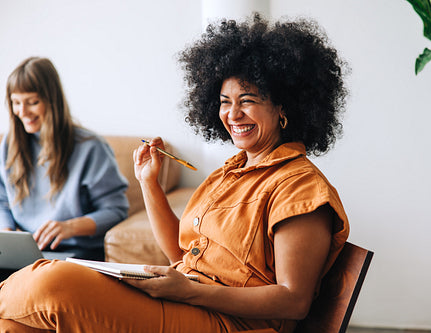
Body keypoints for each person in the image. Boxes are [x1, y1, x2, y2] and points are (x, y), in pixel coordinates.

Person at [0, 14, 349, 333]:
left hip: (232, 323)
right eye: (225, 102)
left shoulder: (300, 186)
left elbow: (294, 301)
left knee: (51, 283)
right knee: (16, 324)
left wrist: (192, 293)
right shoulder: (229, 173)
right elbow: (180, 257)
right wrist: (148, 182)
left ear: (284, 106)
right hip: (187, 301)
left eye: (248, 100)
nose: (232, 114)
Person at [0, 57, 129, 262]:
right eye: (16, 103)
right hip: (26, 253)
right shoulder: (9, 144)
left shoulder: (90, 147)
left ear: (52, 101)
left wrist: (70, 227)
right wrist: (7, 236)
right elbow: (2, 201)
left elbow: (116, 210)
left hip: (74, 254)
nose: (22, 112)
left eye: (32, 102)